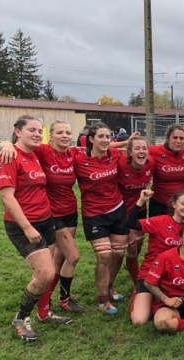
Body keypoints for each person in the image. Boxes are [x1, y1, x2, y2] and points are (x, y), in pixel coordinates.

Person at [0, 116, 59, 340]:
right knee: (45, 274)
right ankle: (21, 318)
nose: (37, 134)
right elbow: (7, 197)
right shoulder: (7, 156)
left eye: (40, 130)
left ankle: (45, 312)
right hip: (23, 225)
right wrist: (28, 228)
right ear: (17, 131)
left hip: (45, 220)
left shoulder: (35, 154)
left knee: (46, 273)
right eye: (32, 129)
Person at [74, 123, 129, 314]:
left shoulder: (115, 156)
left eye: (108, 136)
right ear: (91, 139)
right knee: (104, 256)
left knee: (119, 254)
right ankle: (102, 299)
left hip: (117, 209)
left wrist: (129, 142)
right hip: (94, 214)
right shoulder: (78, 159)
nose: (106, 140)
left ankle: (109, 286)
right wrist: (6, 146)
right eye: (101, 136)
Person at [127, 189, 184, 325]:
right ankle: (140, 294)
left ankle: (159, 303)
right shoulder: (160, 221)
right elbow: (131, 224)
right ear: (174, 204)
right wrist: (141, 201)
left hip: (172, 277)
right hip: (150, 274)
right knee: (139, 320)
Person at [118, 136, 155, 284]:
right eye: (137, 148)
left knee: (139, 243)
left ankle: (130, 264)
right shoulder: (120, 163)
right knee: (131, 246)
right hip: (121, 210)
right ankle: (137, 284)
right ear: (129, 152)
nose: (141, 151)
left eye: (144, 148)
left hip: (139, 208)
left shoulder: (151, 163)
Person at [147, 124, 184, 217]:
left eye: (181, 138)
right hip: (160, 203)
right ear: (168, 138)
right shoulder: (154, 151)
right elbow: (135, 151)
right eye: (175, 138)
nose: (178, 141)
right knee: (158, 231)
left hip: (183, 203)